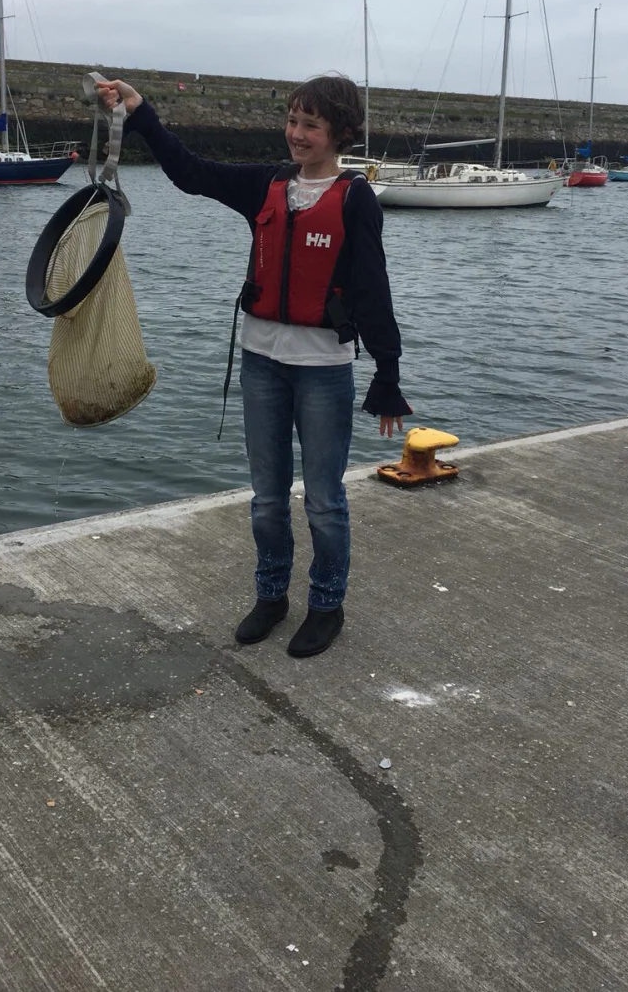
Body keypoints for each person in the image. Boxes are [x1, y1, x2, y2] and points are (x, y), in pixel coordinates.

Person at [96, 74, 412, 659]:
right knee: (267, 498)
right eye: (292, 121)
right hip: (262, 364)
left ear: (340, 133)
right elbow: (191, 173)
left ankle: (326, 605)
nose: (296, 134)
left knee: (323, 499)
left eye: (310, 125)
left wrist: (387, 376)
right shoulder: (266, 184)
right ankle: (271, 597)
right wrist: (142, 115)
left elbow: (373, 290)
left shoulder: (356, 198)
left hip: (323, 370)